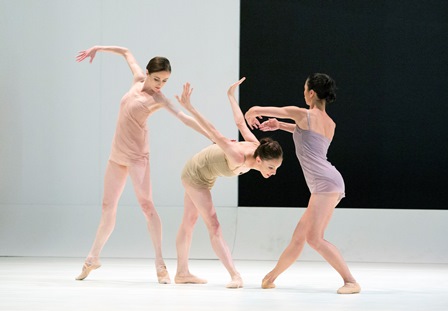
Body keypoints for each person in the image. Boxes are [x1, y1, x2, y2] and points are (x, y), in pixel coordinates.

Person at [74, 45, 210, 283]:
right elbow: (126, 52)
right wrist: (97, 48)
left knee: (147, 206)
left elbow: (184, 119)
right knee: (108, 206)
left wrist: (213, 136)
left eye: (165, 81)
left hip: (137, 158)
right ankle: (92, 258)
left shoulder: (158, 99)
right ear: (147, 73)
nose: (160, 84)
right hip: (117, 155)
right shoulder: (137, 80)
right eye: (157, 78)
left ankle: (160, 266)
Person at [244, 73, 361, 294]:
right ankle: (271, 277)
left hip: (325, 183)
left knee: (314, 238)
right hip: (328, 182)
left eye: (304, 90)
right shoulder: (330, 123)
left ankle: (350, 281)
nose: (303, 94)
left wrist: (254, 110)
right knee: (300, 237)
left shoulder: (303, 114)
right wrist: (280, 125)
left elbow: (278, 110)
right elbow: (307, 135)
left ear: (311, 93)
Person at [174, 78, 283, 288]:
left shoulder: (256, 145)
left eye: (276, 168)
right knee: (213, 225)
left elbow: (241, 122)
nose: (274, 173)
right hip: (196, 175)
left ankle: (181, 273)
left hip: (205, 174)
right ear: (259, 160)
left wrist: (230, 96)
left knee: (189, 221)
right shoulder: (237, 156)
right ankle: (235, 275)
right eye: (271, 168)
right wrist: (190, 107)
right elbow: (213, 131)